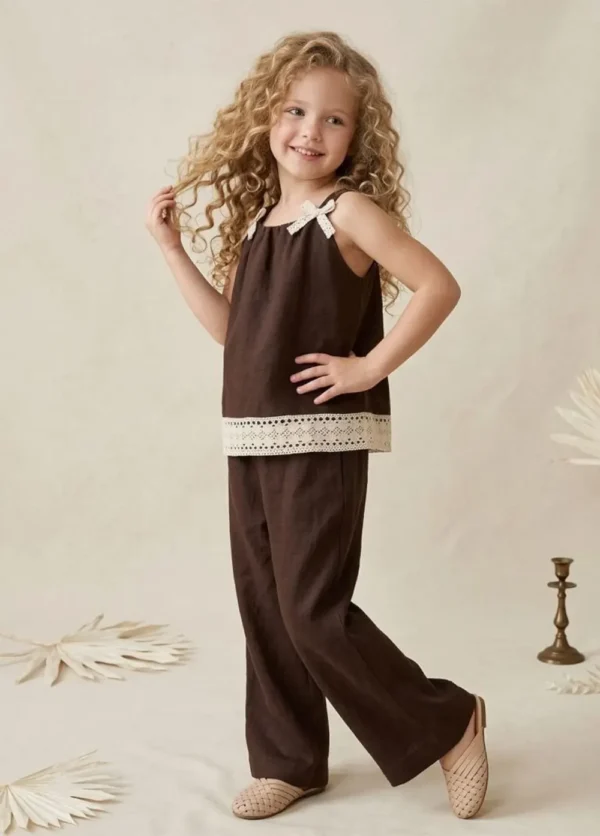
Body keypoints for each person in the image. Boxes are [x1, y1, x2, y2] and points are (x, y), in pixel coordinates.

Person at [145, 30, 489, 822]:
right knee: (266, 608)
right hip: (250, 437)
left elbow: (438, 286)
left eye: (335, 119)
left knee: (312, 612)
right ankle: (290, 759)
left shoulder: (349, 212)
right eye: (297, 111)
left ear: (356, 138)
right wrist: (171, 250)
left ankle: (450, 720)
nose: (311, 130)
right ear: (266, 117)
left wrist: (367, 369)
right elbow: (236, 335)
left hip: (319, 441)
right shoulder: (261, 225)